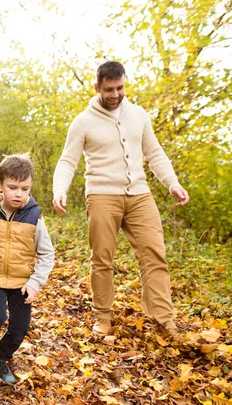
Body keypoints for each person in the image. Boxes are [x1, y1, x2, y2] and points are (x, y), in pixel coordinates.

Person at [52, 60, 190, 339]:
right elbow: (68, 161)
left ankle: (163, 318)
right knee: (102, 259)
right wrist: (60, 189)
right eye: (109, 89)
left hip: (139, 195)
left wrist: (172, 183)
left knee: (154, 255)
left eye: (120, 87)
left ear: (125, 84)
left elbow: (155, 153)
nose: (115, 94)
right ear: (97, 87)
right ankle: (103, 317)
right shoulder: (83, 122)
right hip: (102, 195)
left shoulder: (139, 115)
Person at [0, 153, 55, 384]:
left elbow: (47, 254)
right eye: (13, 187)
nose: (19, 194)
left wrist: (35, 283)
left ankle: (0, 357)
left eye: (25, 189)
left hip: (22, 281)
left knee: (19, 328)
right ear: (0, 185)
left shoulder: (35, 217)